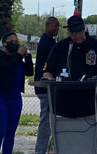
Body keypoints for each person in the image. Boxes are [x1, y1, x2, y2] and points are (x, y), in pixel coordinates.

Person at [42, 15, 97, 118]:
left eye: (80, 32)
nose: (77, 35)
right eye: (74, 33)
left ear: (84, 29)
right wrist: (52, 82)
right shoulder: (60, 47)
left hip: (89, 103)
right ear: (68, 31)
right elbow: (47, 72)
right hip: (62, 103)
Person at [0, 31, 33, 154]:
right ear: (4, 43)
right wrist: (18, 55)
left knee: (10, 132)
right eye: (11, 41)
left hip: (15, 99)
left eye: (16, 42)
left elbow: (29, 72)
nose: (14, 44)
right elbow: (6, 69)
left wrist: (27, 56)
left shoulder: (17, 58)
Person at [33, 17, 60, 154]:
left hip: (49, 87)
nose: (57, 29)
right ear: (48, 25)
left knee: (52, 122)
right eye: (55, 26)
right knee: (46, 123)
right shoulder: (46, 43)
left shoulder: (50, 41)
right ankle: (40, 151)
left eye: (58, 26)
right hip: (45, 87)